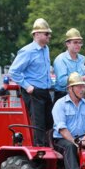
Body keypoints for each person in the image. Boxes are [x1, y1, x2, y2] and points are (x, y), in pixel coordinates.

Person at [9, 18, 53, 146]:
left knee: (50, 121)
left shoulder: (46, 49)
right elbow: (13, 71)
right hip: (34, 91)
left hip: (44, 90)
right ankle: (40, 150)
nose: (49, 36)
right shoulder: (27, 51)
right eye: (46, 33)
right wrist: (28, 86)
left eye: (49, 33)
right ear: (37, 34)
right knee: (38, 123)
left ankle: (48, 147)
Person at [52, 72, 85, 169]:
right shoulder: (60, 104)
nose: (82, 89)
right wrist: (76, 142)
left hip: (81, 139)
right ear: (70, 89)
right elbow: (62, 129)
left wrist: (84, 140)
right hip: (62, 140)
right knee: (70, 147)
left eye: (83, 86)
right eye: (79, 86)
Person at [53, 28, 85, 103]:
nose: (78, 45)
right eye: (75, 42)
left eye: (80, 42)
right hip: (63, 97)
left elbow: (82, 76)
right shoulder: (60, 59)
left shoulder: (82, 58)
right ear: (67, 44)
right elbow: (62, 82)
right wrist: (83, 78)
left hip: (79, 96)